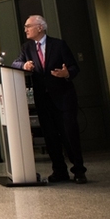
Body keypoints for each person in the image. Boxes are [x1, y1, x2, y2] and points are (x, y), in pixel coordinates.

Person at [13, 15, 86, 184]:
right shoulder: (27, 48)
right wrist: (24, 66)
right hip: (43, 100)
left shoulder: (59, 45)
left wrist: (66, 74)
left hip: (64, 98)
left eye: (28, 26)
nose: (25, 30)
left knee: (70, 136)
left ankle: (79, 171)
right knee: (51, 137)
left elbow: (74, 67)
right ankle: (59, 171)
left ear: (40, 27)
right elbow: (16, 63)